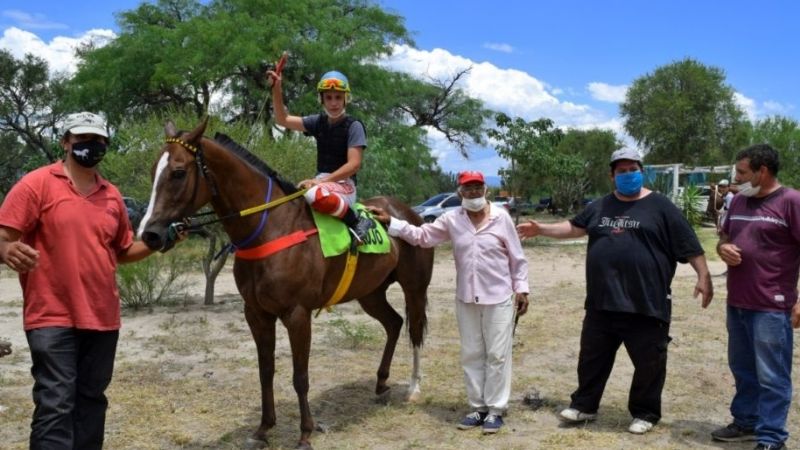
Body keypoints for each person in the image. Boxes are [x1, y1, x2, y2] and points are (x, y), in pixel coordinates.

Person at [0, 112, 170, 450]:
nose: (91, 147)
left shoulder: (112, 196)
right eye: (82, 140)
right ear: (65, 142)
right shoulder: (36, 184)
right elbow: (4, 235)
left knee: (92, 400)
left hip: (103, 317)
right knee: (56, 404)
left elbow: (122, 251)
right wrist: (5, 249)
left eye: (99, 142)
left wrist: (159, 242)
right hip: (51, 316)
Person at [517, 148, 713, 435]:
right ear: (612, 176)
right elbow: (573, 227)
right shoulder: (600, 206)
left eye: (632, 169)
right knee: (592, 358)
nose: (627, 175)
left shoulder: (662, 207)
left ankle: (645, 412)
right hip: (602, 301)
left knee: (649, 363)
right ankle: (584, 406)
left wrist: (704, 275)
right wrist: (541, 229)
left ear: (641, 171)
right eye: (621, 171)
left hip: (646, 301)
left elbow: (689, 244)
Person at [369, 170, 529, 434]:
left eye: (477, 188)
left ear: (485, 189)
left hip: (498, 296)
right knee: (472, 353)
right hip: (466, 297)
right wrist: (392, 224)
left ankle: (496, 409)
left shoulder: (501, 218)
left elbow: (517, 257)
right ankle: (478, 407)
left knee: (498, 355)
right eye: (468, 189)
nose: (473, 193)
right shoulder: (452, 219)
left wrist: (522, 289)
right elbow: (422, 236)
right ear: (460, 193)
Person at [712, 144, 800, 450]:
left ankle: (772, 437)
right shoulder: (738, 202)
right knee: (743, 369)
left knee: (772, 376)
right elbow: (723, 238)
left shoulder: (791, 201)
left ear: (763, 172)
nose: (737, 178)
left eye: (742, 172)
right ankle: (746, 422)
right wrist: (722, 249)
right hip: (737, 302)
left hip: (772, 307)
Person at [265, 64, 373, 244]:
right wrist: (277, 88)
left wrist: (320, 181)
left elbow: (354, 165)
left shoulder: (354, 126)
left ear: (346, 99)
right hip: (321, 182)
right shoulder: (318, 121)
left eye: (338, 97)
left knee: (313, 193)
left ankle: (357, 221)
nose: (334, 103)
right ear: (321, 99)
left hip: (344, 184)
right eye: (328, 97)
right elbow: (282, 119)